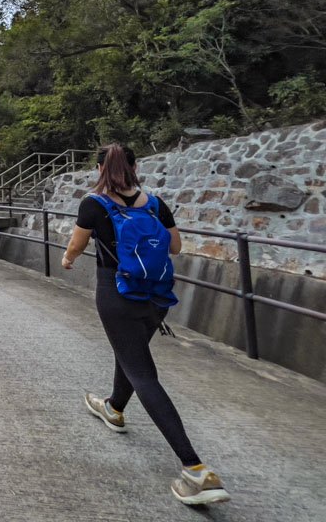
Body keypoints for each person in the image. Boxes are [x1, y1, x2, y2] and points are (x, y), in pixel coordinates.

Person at [61, 144, 230, 506]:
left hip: (116, 292)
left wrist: (67, 257)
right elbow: (176, 247)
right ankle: (114, 408)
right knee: (132, 353)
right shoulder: (154, 203)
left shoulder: (94, 203)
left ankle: (196, 470)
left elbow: (76, 244)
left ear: (99, 168)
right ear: (136, 166)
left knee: (142, 372)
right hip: (156, 296)